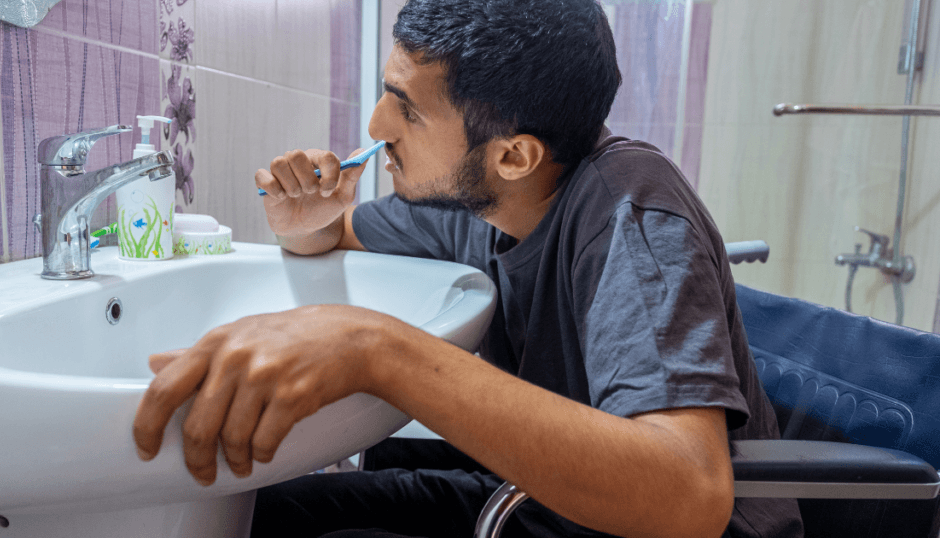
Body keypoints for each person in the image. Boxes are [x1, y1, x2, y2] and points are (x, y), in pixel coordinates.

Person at [133, 1, 804, 536]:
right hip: (547, 503)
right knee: (270, 515)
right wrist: (305, 220)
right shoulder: (489, 199)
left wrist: (376, 350)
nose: (376, 123)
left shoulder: (629, 212)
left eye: (408, 108)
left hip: (644, 524)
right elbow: (335, 234)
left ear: (513, 156)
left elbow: (687, 498)